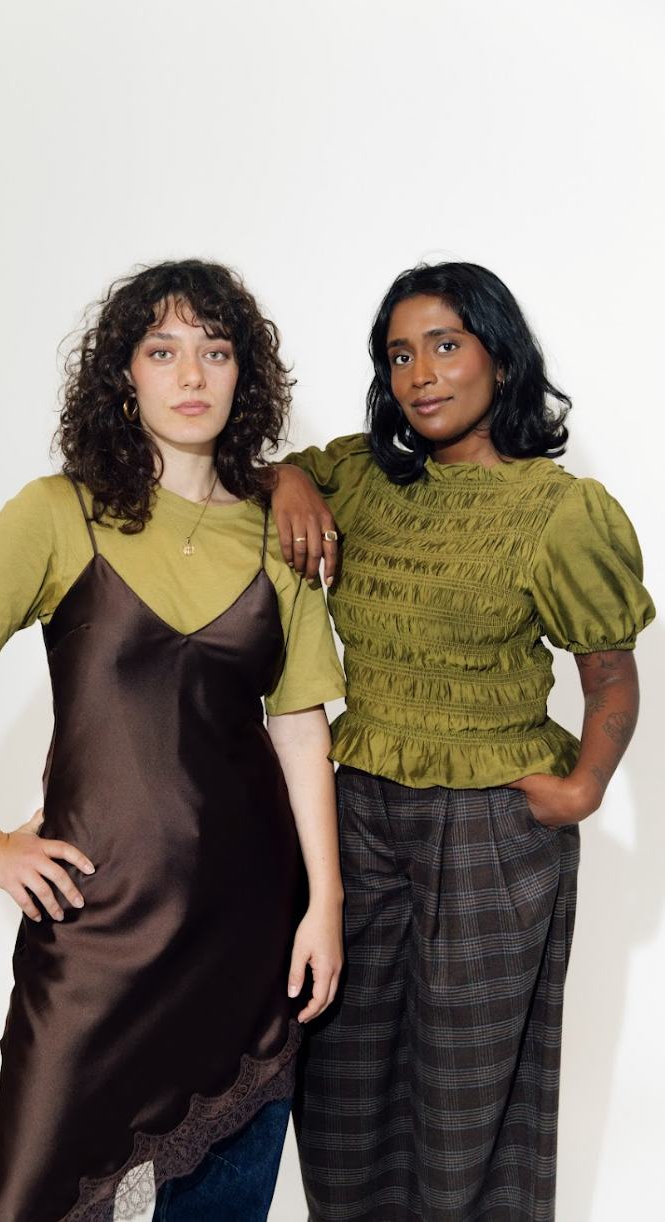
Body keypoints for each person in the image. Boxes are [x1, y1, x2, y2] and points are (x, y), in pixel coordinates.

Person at [0, 259, 346, 1222]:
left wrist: (326, 906)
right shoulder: (55, 512)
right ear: (125, 376)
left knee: (222, 1199)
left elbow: (301, 732)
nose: (192, 376)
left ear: (244, 375)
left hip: (248, 926)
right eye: (163, 351)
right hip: (97, 927)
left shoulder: (281, 536)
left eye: (215, 352)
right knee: (29, 1197)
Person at [271, 261, 655, 1222]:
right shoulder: (360, 478)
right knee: (340, 1083)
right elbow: (263, 469)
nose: (422, 374)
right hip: (355, 811)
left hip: (491, 824)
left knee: (470, 1096)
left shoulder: (556, 510)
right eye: (401, 354)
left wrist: (587, 788)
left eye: (446, 345)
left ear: (499, 356)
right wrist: (286, 481)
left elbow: (610, 673)